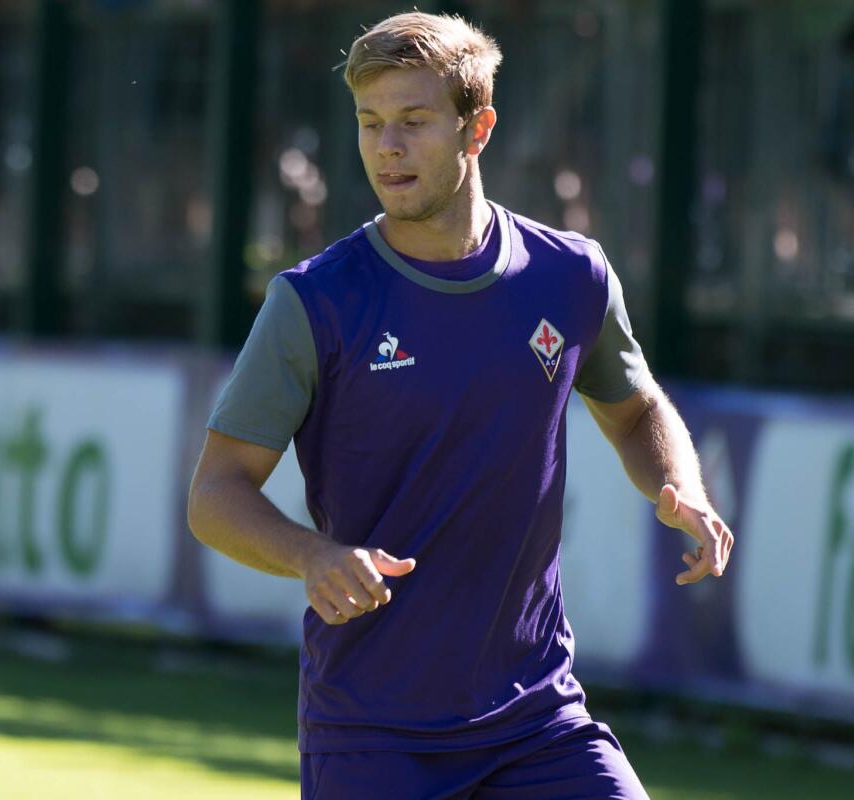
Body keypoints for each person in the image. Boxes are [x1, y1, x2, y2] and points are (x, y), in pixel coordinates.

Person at [186, 11, 733, 799]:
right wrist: (315, 557)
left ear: (478, 129)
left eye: (413, 122)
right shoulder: (315, 302)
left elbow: (636, 409)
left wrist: (681, 489)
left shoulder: (571, 276)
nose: (387, 147)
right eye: (370, 124)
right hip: (373, 731)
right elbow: (215, 492)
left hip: (538, 718)